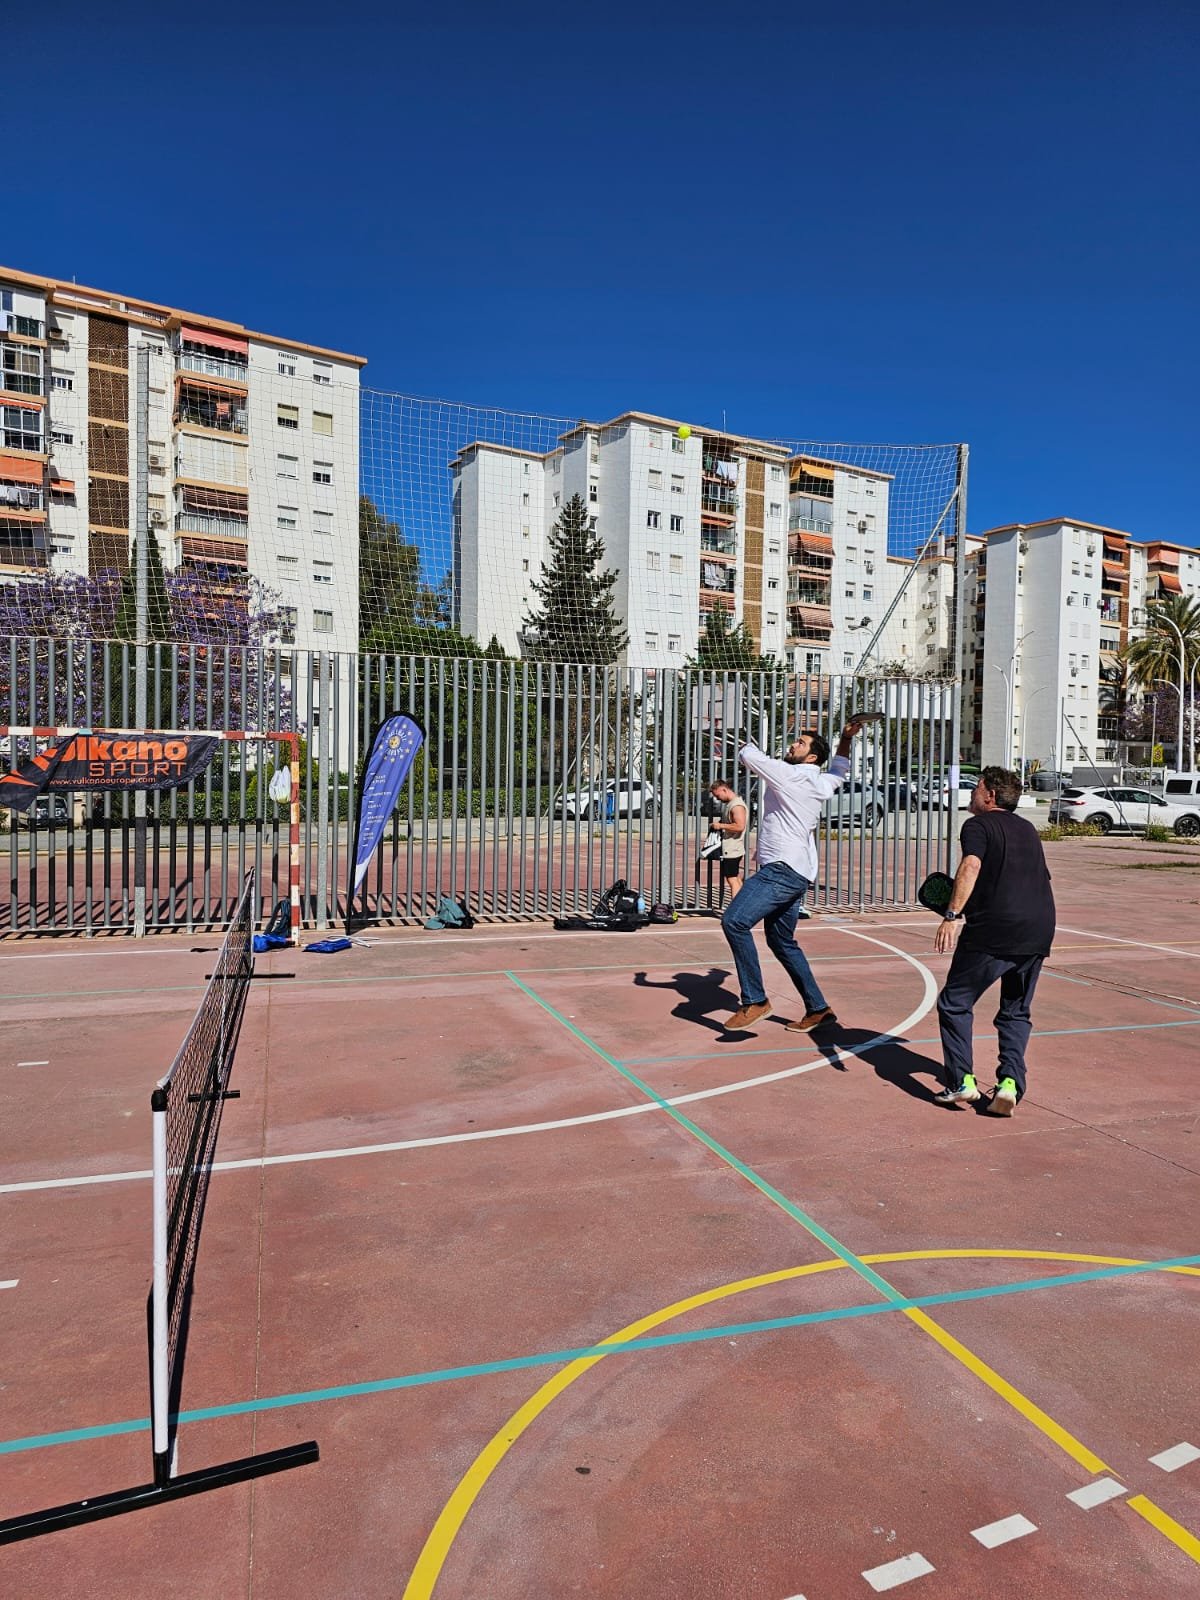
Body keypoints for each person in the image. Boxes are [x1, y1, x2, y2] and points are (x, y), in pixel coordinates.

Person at [721, 718, 867, 1033]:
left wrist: (728, 727)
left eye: (799, 743)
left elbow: (749, 755)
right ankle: (818, 1008)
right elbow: (840, 769)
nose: (792, 744)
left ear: (811, 757)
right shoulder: (821, 781)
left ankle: (755, 1001)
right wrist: (845, 738)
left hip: (781, 870)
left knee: (734, 921)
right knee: (781, 940)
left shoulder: (791, 777)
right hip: (798, 871)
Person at [932, 765, 1055, 1116]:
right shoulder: (1029, 830)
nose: (972, 794)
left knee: (955, 1002)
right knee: (1016, 1010)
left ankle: (962, 1082)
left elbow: (971, 867)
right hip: (1039, 929)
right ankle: (1010, 1083)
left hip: (995, 930)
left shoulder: (977, 825)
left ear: (990, 795)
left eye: (977, 788)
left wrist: (952, 915)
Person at [707, 778, 748, 899]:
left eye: (717, 795)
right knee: (734, 878)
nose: (717, 798)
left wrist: (720, 825)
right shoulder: (731, 804)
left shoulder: (736, 806)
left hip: (732, 849)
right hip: (731, 848)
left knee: (732, 880)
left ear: (724, 789)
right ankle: (741, 904)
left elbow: (740, 826)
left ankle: (735, 908)